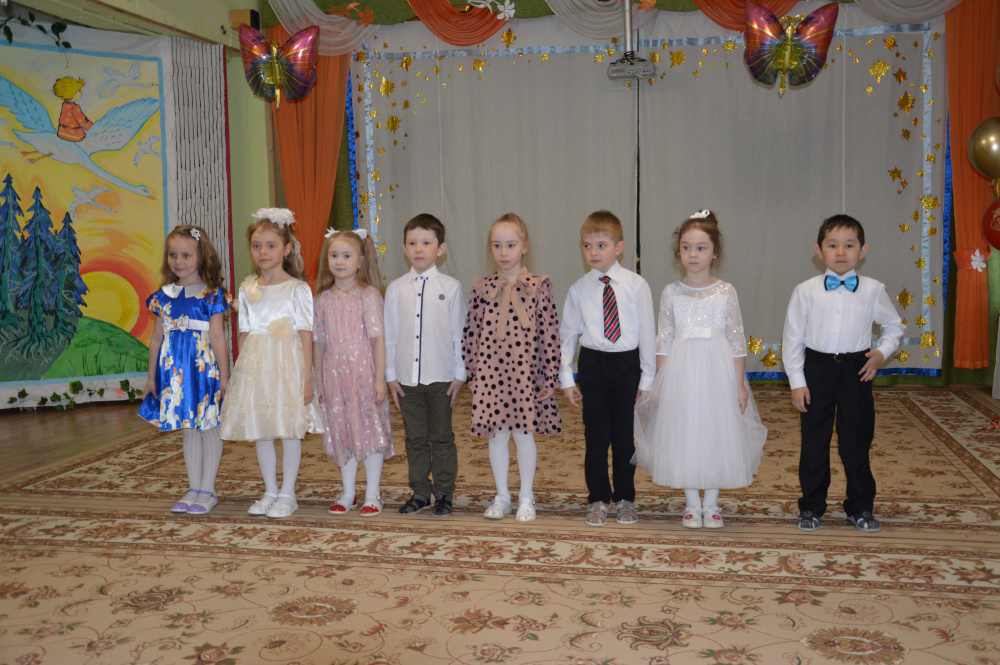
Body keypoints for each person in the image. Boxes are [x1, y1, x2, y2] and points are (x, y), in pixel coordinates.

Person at [633, 211, 767, 528]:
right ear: (678, 251)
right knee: (685, 431)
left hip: (718, 370)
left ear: (715, 252)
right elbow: (663, 339)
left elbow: (736, 340)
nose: (693, 254)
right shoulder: (671, 292)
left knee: (717, 431)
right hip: (681, 371)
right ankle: (693, 503)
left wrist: (739, 384)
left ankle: (712, 502)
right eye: (686, 247)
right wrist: (661, 381)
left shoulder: (726, 291)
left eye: (701, 248)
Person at [782, 214, 904, 534]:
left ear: (862, 251)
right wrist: (797, 383)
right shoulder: (805, 291)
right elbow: (792, 340)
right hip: (817, 370)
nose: (840, 252)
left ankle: (860, 506)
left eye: (849, 246)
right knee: (814, 441)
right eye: (832, 245)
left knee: (856, 440)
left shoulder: (873, 289)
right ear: (818, 250)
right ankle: (811, 506)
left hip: (856, 371)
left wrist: (881, 352)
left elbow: (894, 327)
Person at [221, 208, 320, 519]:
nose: (263, 252)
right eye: (256, 245)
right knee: (261, 428)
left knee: (288, 428)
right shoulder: (248, 289)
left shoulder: (297, 288)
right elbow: (245, 333)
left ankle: (288, 493)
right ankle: (270, 490)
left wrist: (306, 379)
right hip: (257, 367)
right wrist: (242, 374)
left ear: (286, 249)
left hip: (288, 366)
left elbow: (306, 334)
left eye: (271, 245)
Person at [463, 214, 562, 522]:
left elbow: (550, 332)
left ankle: (526, 497)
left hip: (524, 375)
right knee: (497, 435)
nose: (504, 252)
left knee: (523, 435)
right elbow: (471, 331)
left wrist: (551, 374)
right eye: (497, 245)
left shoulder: (538, 287)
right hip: (491, 373)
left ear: (524, 247)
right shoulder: (483, 287)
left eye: (510, 245)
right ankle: (502, 495)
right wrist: (472, 371)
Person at [560, 210, 655, 526]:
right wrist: (566, 379)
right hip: (593, 365)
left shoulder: (636, 285)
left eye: (601, 245)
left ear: (619, 247)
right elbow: (567, 336)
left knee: (625, 437)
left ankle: (625, 497)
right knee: (596, 436)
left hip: (627, 365)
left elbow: (647, 332)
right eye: (587, 246)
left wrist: (648, 378)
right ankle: (598, 498)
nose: (593, 252)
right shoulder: (579, 289)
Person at [139, 225, 231, 515]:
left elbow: (218, 338)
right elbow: (156, 339)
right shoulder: (163, 297)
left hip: (204, 373)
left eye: (186, 255)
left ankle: (208, 489)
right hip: (176, 376)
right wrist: (151, 378)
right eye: (173, 255)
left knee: (209, 427)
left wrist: (226, 377)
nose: (178, 261)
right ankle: (194, 488)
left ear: (202, 256)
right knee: (189, 429)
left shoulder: (212, 296)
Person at [385, 214, 466, 516]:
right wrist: (390, 376)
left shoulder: (451, 287)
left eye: (426, 243)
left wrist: (460, 374)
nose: (419, 249)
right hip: (406, 379)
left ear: (440, 249)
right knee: (415, 438)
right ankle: (420, 492)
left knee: (442, 437)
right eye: (412, 243)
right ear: (404, 248)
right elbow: (390, 336)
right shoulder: (395, 289)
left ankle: (444, 492)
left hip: (442, 377)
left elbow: (459, 334)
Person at [314, 228, 394, 517]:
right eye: (334, 255)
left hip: (363, 374)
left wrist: (380, 379)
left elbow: (378, 339)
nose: (339, 261)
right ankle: (348, 492)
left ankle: (373, 493)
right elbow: (319, 343)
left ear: (360, 261)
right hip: (334, 376)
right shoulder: (323, 299)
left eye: (346, 256)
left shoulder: (368, 295)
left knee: (369, 431)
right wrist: (319, 381)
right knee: (342, 430)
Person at [52, 77, 92, 142]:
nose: (81, 93)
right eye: (79, 90)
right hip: (74, 135)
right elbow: (82, 121)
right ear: (71, 92)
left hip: (62, 132)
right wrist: (93, 128)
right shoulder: (75, 107)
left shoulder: (65, 105)